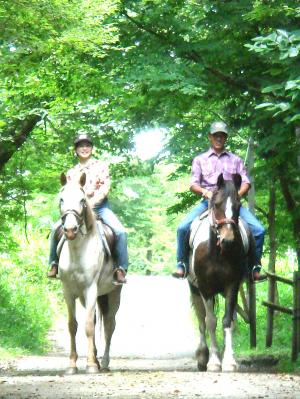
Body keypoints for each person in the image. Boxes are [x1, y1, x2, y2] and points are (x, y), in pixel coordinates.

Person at [173, 121, 266, 282]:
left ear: (225, 138)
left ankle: (254, 268)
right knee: (182, 228)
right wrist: (205, 192)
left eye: (222, 135)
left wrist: (237, 195)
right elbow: (193, 184)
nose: (219, 138)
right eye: (216, 135)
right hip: (208, 202)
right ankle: (182, 264)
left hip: (231, 203)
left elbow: (246, 182)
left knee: (258, 230)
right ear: (210, 137)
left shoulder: (236, 160)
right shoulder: (200, 159)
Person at [47, 133, 128, 285]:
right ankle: (54, 264)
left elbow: (105, 188)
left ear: (91, 148)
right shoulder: (71, 172)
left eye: (87, 145)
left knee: (120, 231)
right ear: (76, 150)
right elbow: (69, 193)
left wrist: (91, 204)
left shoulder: (101, 166)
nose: (84, 148)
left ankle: (120, 268)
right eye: (80, 146)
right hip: (77, 211)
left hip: (100, 207)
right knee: (55, 229)